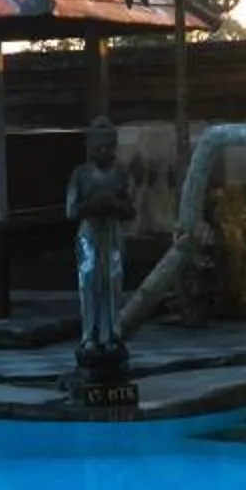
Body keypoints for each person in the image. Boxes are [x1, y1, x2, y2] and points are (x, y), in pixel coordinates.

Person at [66, 117, 136, 362]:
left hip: (113, 231)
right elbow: (71, 210)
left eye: (108, 147)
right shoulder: (81, 174)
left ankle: (111, 334)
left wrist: (114, 204)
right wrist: (92, 205)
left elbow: (131, 209)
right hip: (89, 230)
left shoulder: (122, 173)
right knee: (89, 280)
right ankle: (89, 334)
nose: (104, 152)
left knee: (113, 282)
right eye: (99, 147)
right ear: (90, 148)